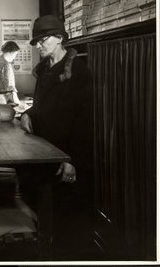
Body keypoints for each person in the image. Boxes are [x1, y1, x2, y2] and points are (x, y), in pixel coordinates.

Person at [19, 15, 95, 260]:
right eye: (37, 41)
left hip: (66, 154)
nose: (39, 45)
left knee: (67, 222)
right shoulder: (44, 69)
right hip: (45, 150)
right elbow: (43, 106)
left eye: (44, 40)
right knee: (41, 208)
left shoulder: (77, 70)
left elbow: (84, 120)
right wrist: (28, 113)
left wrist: (72, 160)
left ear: (60, 38)